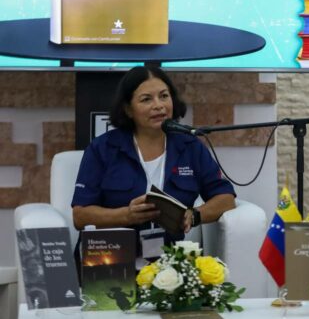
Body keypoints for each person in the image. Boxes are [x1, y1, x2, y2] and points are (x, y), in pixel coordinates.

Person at [71, 65, 236, 257]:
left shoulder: (190, 146)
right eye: (146, 99)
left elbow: (225, 199)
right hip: (111, 258)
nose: (158, 105)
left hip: (168, 261)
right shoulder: (102, 148)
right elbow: (80, 216)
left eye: (164, 96)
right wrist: (126, 215)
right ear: (128, 109)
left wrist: (194, 215)